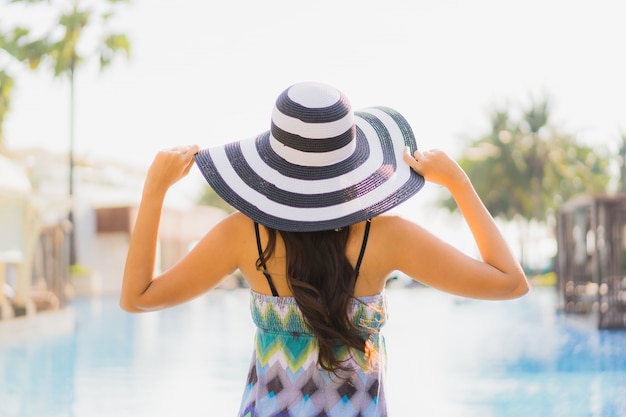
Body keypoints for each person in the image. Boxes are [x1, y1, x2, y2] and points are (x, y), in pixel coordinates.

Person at [120, 81, 529, 417]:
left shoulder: (244, 235)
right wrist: (459, 183)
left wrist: (154, 189)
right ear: (351, 159)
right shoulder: (387, 238)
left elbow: (138, 298)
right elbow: (509, 283)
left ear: (273, 159)